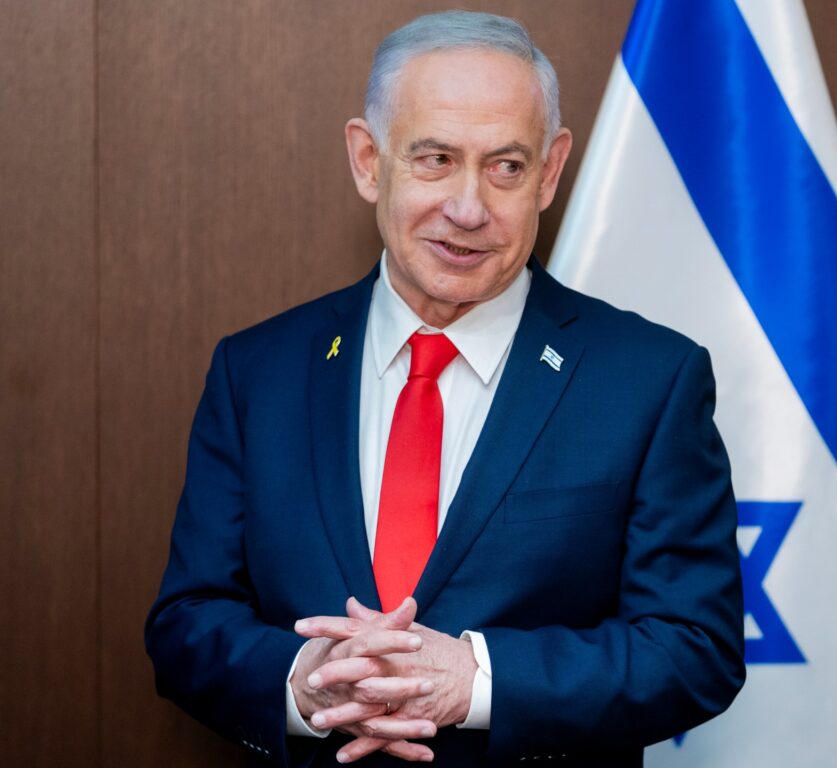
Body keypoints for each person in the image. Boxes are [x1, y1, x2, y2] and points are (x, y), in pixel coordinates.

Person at [145, 10, 744, 767]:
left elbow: (695, 647)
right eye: (435, 159)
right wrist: (303, 682)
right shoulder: (257, 371)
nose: (468, 209)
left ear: (550, 172)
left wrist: (479, 680)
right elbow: (187, 621)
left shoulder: (650, 380)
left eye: (507, 167)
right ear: (369, 160)